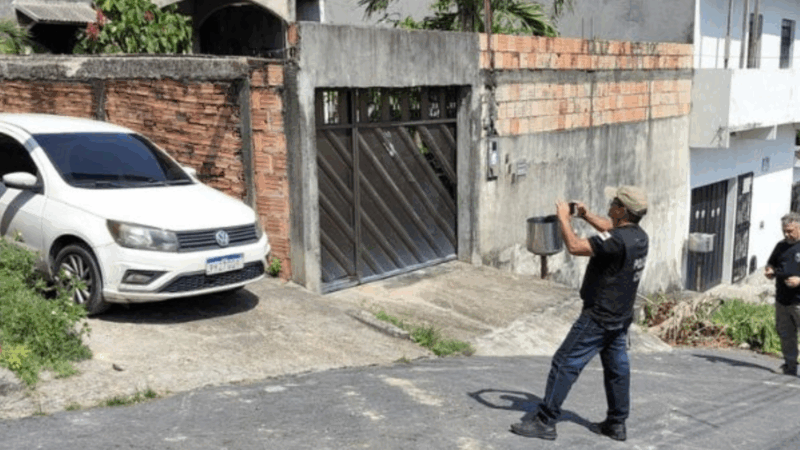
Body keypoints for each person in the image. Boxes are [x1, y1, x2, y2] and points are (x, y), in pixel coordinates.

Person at [510, 185, 649, 442]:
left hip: (599, 317)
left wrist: (564, 217)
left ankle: (545, 421)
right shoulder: (638, 237)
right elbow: (610, 230)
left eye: (614, 202)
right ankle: (617, 424)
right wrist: (586, 215)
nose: (610, 204)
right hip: (619, 319)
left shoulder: (617, 241)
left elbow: (574, 246)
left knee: (564, 363)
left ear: (622, 210)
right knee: (617, 368)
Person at [765, 213, 800, 376]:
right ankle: (790, 365)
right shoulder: (781, 246)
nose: (787, 234)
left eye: (790, 231)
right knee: (786, 334)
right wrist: (770, 271)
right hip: (783, 300)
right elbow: (771, 263)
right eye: (784, 231)